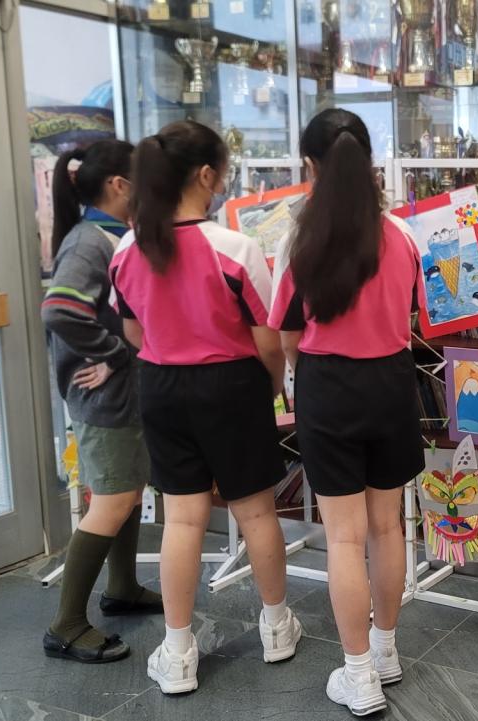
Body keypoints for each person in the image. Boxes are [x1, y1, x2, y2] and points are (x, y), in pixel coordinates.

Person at [111, 120, 302, 695]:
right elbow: (268, 340)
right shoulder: (235, 248)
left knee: (182, 519)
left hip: (162, 387)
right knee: (257, 513)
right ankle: (277, 628)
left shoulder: (127, 248)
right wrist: (270, 386)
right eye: (223, 172)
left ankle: (177, 653)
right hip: (233, 386)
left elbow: (132, 332)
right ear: (205, 176)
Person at [269, 108, 422, 717]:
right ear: (369, 161)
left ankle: (358, 675)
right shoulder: (402, 236)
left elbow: (286, 335)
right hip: (392, 384)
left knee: (343, 536)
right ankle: (385, 651)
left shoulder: (298, 240)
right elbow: (411, 315)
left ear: (310, 165)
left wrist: (301, 375)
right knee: (387, 527)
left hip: (327, 385)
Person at [41, 139, 163, 664]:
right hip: (104, 399)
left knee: (128, 492)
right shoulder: (89, 242)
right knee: (112, 499)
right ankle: (66, 624)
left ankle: (122, 588)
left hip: (121, 394)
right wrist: (115, 352)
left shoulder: (110, 236)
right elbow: (59, 311)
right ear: (119, 185)